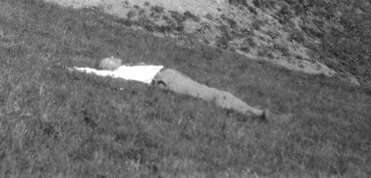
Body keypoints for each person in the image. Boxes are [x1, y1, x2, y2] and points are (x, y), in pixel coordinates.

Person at [72, 57, 266, 119]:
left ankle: (249, 111)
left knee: (208, 92)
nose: (114, 58)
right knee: (209, 95)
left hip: (170, 74)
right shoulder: (116, 74)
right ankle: (252, 113)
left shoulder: (128, 67)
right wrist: (67, 68)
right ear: (107, 67)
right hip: (165, 80)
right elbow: (90, 71)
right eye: (109, 59)